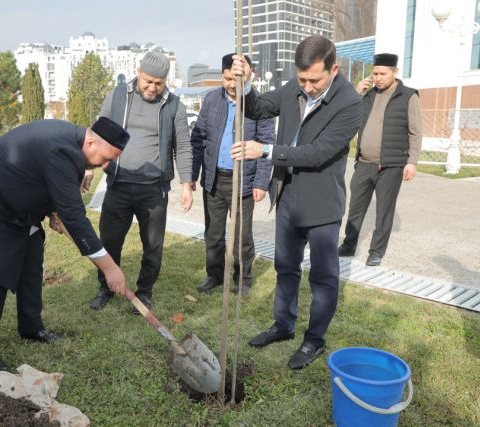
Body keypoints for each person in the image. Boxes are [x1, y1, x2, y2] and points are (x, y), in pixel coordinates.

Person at [0, 118, 130, 371]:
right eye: (105, 158)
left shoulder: (72, 144)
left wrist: (53, 209)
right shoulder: (62, 151)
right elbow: (75, 218)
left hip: (14, 205)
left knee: (32, 255)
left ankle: (31, 329)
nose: (104, 166)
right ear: (92, 141)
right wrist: (109, 268)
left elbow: (40, 178)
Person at [230, 35, 363, 370]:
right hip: (287, 195)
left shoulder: (349, 103)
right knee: (285, 267)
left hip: (321, 205)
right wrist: (245, 84)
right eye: (301, 78)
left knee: (322, 276)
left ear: (334, 69)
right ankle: (283, 325)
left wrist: (265, 151)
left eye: (314, 80)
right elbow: (260, 108)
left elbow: (317, 153)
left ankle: (314, 339)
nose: (307, 86)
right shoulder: (296, 86)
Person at [89, 52, 195, 313]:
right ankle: (105, 287)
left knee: (153, 245)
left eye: (159, 83)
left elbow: (183, 146)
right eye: (148, 81)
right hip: (118, 184)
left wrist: (186, 184)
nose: (152, 87)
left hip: (153, 190)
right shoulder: (117, 97)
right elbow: (98, 131)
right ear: (138, 72)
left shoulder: (174, 106)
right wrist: (88, 166)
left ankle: (145, 292)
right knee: (110, 240)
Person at [191, 53, 275, 296]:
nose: (231, 84)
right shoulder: (210, 101)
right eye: (227, 78)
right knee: (214, 234)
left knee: (242, 236)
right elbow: (198, 139)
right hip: (215, 180)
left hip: (244, 182)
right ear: (222, 75)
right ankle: (214, 275)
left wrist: (261, 182)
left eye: (236, 79)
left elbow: (266, 143)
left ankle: (243, 279)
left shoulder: (260, 104)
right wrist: (194, 176)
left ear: (249, 75)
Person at [338, 53, 423, 266]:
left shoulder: (409, 96)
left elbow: (416, 131)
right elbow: (349, 114)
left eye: (382, 74)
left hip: (391, 165)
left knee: (384, 210)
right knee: (355, 207)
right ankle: (348, 246)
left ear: (394, 72)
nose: (377, 78)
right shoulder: (367, 95)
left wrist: (412, 161)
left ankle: (376, 251)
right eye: (374, 73)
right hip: (364, 163)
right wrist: (357, 92)